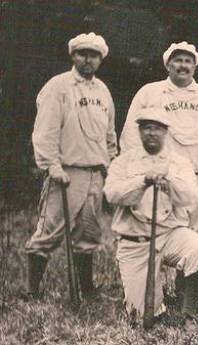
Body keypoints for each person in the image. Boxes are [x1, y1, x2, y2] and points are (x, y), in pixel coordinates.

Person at [25, 32, 116, 300]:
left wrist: (110, 166)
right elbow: (45, 131)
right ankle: (32, 291)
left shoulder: (102, 91)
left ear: (100, 59)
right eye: (82, 53)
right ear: (73, 56)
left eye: (94, 55)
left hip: (95, 173)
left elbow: (110, 135)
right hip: (66, 172)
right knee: (48, 231)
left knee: (88, 232)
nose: (88, 60)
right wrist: (51, 165)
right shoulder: (58, 86)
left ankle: (87, 290)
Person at [104, 109, 198, 328]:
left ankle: (189, 312)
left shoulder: (178, 162)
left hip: (170, 233)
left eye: (157, 128)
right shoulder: (123, 162)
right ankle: (153, 296)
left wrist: (169, 182)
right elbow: (112, 194)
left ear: (166, 131)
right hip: (136, 240)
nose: (152, 133)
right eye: (147, 127)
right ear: (140, 130)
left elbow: (190, 195)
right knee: (142, 314)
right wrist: (143, 181)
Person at [120, 41, 198, 233]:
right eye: (178, 60)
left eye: (188, 61)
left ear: (195, 66)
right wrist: (139, 172)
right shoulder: (149, 93)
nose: (183, 65)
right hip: (160, 177)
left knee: (191, 233)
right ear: (168, 64)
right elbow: (130, 135)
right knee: (159, 230)